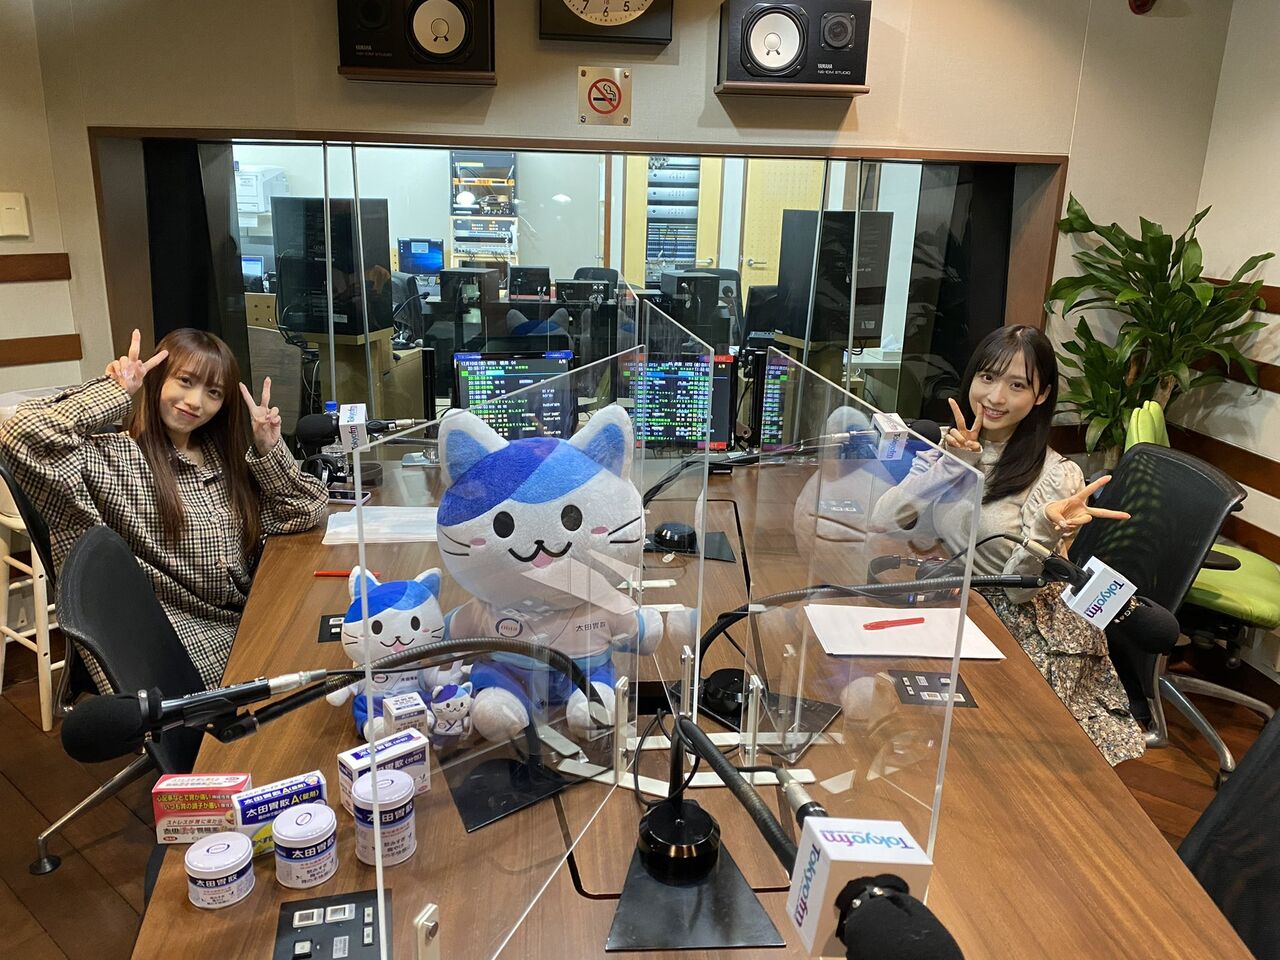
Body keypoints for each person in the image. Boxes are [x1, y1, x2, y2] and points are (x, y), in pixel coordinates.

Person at [0, 328, 328, 692]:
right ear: (158, 379)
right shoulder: (117, 459)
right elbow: (21, 435)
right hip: (178, 642)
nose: (195, 401)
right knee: (314, 679)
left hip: (246, 617)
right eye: (185, 381)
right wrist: (115, 390)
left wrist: (268, 446)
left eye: (213, 392)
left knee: (333, 645)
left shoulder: (220, 459)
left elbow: (306, 509)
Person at [874, 325, 1144, 765]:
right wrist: (952, 465)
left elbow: (1018, 591)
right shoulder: (953, 443)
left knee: (971, 749)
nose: (995, 397)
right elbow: (885, 519)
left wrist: (1047, 529)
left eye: (1017, 385)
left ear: (1041, 395)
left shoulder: (1057, 476)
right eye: (987, 377)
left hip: (1019, 622)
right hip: (955, 597)